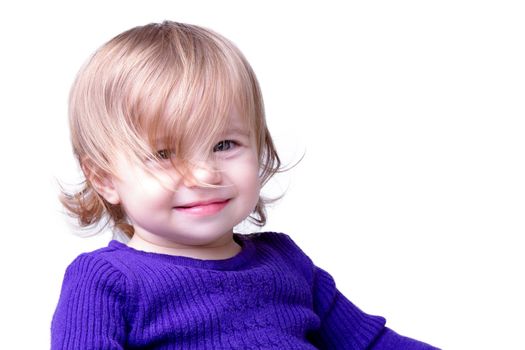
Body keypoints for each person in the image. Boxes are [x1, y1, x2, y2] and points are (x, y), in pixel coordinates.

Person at [51, 20, 438, 349]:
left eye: (225, 145)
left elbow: (373, 344)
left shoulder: (286, 262)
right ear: (104, 178)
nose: (203, 176)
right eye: (164, 154)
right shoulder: (107, 281)